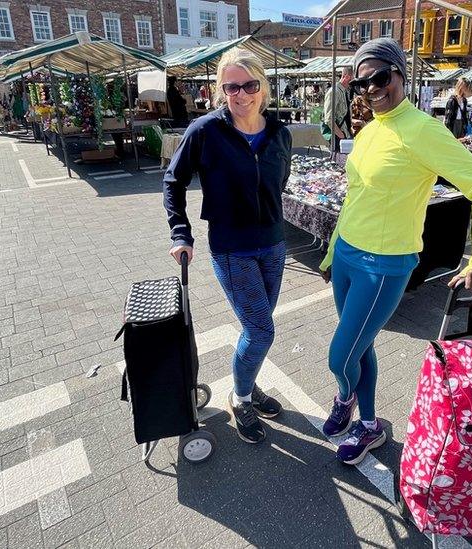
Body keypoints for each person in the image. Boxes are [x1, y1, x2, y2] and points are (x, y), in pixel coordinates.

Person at [319, 38, 472, 465]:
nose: (371, 89)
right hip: (347, 256)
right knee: (360, 348)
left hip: (383, 266)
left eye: (381, 77)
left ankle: (347, 401)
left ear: (401, 74)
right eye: (361, 83)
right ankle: (367, 425)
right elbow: (355, 197)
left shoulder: (423, 129)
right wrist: (332, 253)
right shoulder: (369, 130)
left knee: (339, 357)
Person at [164, 48, 292, 445]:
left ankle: (249, 385)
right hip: (232, 249)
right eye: (231, 86)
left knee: (257, 328)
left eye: (249, 85)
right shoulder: (205, 131)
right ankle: (240, 398)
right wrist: (180, 233)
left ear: (262, 86)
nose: (241, 94)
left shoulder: (279, 133)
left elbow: (278, 182)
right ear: (221, 90)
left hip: (272, 245)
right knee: (260, 330)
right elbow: (173, 181)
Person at [323, 66, 353, 152]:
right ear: (346, 77)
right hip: (338, 137)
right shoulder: (334, 92)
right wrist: (341, 135)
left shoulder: (344, 91)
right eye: (353, 79)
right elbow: (328, 119)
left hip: (344, 135)